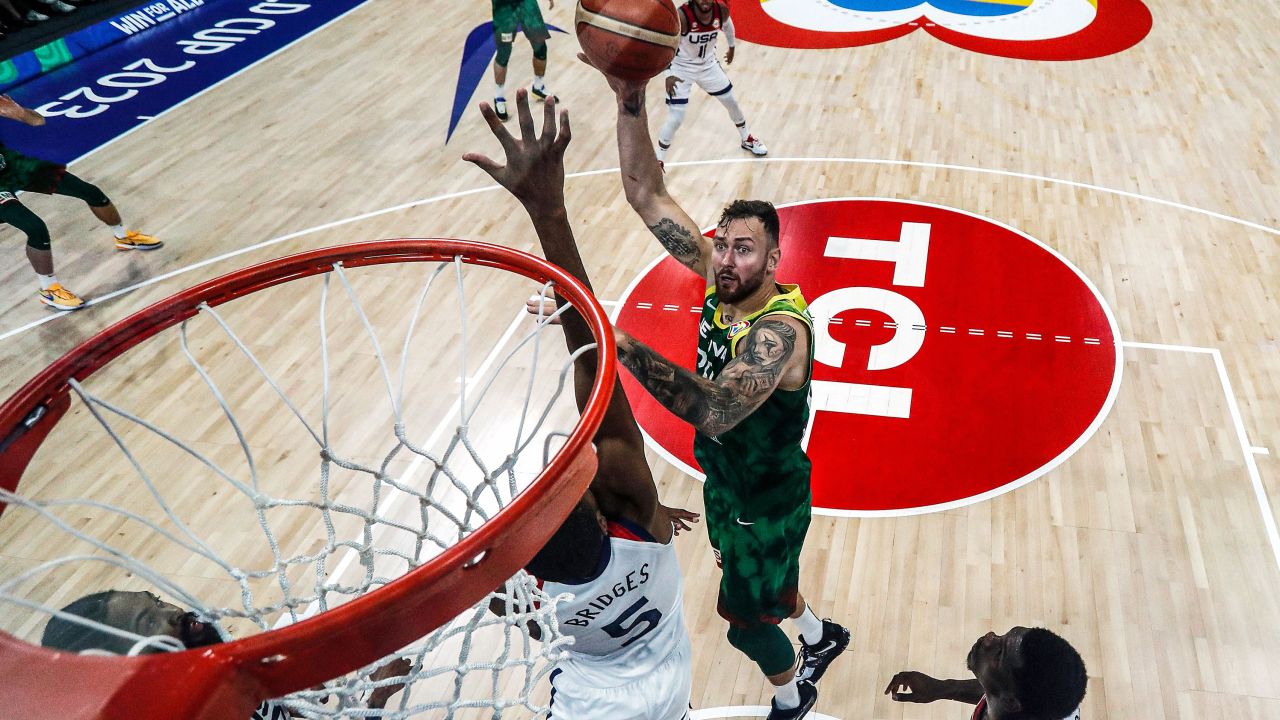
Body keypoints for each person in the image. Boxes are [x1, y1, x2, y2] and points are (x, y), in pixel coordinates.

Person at [582, 56, 848, 720]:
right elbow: (645, 193)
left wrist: (612, 340)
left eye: (745, 250)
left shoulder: (779, 332)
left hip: (766, 490)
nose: (728, 259)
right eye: (723, 246)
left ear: (774, 260)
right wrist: (629, 96)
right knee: (767, 585)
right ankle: (820, 637)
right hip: (733, 484)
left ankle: (793, 697)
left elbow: (716, 409)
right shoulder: (714, 274)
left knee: (742, 621)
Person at [465, 89, 699, 720]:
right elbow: (596, 364)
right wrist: (550, 211)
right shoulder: (641, 521)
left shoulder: (531, 598)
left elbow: (491, 592)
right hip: (669, 681)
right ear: (602, 518)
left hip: (596, 702)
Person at [41, 589, 411, 719]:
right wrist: (374, 702)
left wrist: (282, 696)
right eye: (149, 624)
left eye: (155, 601)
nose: (173, 613)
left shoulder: (207, 685)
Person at [0, 94, 160, 310]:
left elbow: (37, 120)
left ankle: (124, 237)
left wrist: (19, 113)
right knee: (35, 227)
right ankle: (50, 290)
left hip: (10, 166)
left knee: (90, 192)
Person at [884, 626, 1087, 720]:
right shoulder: (1046, 701)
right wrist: (945, 688)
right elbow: (998, 691)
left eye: (999, 653)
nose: (989, 637)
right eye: (1002, 635)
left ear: (1010, 702)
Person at [656, 0, 766, 162]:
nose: (705, 1)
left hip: (708, 66)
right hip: (681, 69)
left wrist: (732, 46)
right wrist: (668, 73)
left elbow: (728, 26)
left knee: (731, 102)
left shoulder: (720, 11)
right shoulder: (682, 17)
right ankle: (658, 159)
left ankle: (746, 138)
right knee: (676, 117)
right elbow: (665, 44)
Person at [489, 0, 554, 122]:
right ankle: (498, 96)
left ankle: (538, 86)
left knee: (540, 46)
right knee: (504, 52)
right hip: (504, 7)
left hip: (526, 3)